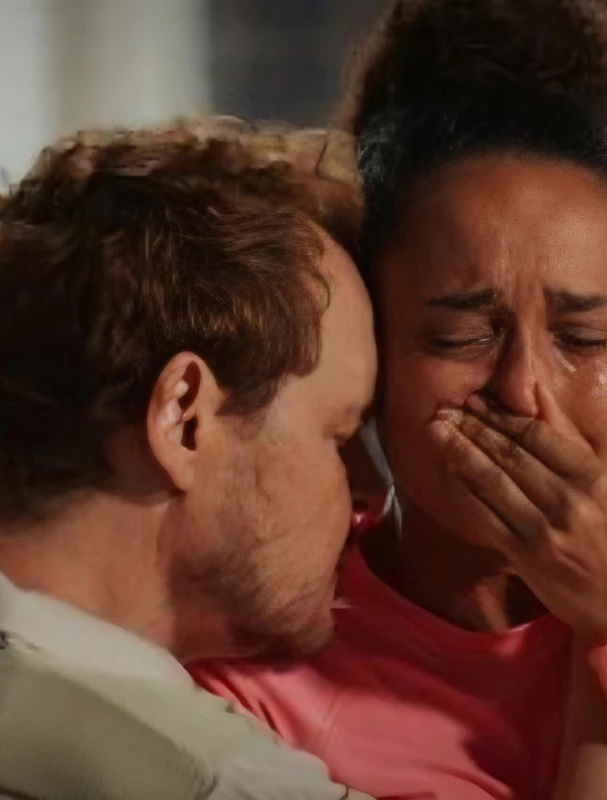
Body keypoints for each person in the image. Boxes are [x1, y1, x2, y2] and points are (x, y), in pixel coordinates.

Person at [191, 1, 607, 798]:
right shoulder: (269, 663)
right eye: (460, 337)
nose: (524, 389)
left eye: (582, 339)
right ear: (368, 351)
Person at [0, 118, 378, 799]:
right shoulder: (216, 779)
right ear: (184, 419)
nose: (368, 492)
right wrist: (595, 637)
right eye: (340, 436)